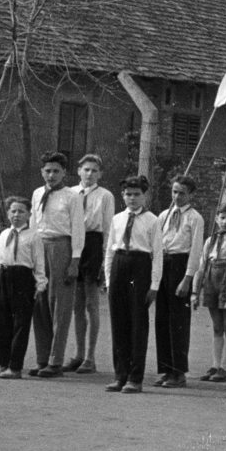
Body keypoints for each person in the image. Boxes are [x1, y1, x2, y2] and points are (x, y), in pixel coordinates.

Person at [103, 175, 163, 394]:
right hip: (120, 264)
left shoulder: (153, 220)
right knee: (118, 324)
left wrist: (154, 285)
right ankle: (120, 375)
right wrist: (109, 280)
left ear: (144, 195)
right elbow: (110, 250)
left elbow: (157, 254)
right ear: (122, 195)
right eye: (128, 194)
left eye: (137, 194)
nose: (132, 198)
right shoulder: (117, 219)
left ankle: (135, 378)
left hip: (140, 266)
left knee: (138, 324)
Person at [29, 152, 82, 378]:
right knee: (40, 302)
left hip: (62, 247)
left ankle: (55, 360)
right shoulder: (37, 193)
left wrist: (74, 261)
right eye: (47, 171)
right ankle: (42, 358)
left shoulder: (72, 197)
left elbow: (78, 229)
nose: (51, 175)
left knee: (60, 305)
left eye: (56, 171)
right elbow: (33, 223)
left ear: (65, 173)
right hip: (40, 246)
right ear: (42, 172)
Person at [0, 196, 46, 379]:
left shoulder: (34, 237)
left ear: (29, 214)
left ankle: (15, 366)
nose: (16, 215)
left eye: (21, 211)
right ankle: (2, 363)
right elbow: (0, 259)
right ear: (7, 213)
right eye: (13, 211)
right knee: (2, 321)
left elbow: (39, 263)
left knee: (21, 323)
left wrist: (40, 284)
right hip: (4, 277)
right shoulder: (3, 235)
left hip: (23, 278)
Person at [154, 175, 203, 388]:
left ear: (191, 194)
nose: (177, 196)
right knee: (162, 320)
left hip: (181, 266)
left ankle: (178, 371)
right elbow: (156, 244)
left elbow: (195, 251)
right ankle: (165, 368)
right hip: (163, 264)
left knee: (178, 321)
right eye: (174, 192)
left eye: (182, 193)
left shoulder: (195, 218)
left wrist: (187, 279)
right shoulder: (164, 215)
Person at [68, 154, 113, 374]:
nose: (89, 174)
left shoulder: (105, 196)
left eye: (94, 170)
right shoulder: (70, 193)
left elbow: (107, 228)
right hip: (74, 243)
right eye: (86, 169)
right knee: (76, 304)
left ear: (100, 174)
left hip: (94, 245)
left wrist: (105, 259)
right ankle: (77, 354)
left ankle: (90, 357)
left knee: (91, 304)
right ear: (78, 171)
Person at [195, 202, 226, 383]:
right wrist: (195, 291)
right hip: (212, 283)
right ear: (216, 219)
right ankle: (215, 365)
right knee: (216, 326)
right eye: (222, 218)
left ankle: (225, 367)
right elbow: (202, 265)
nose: (225, 222)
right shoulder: (210, 240)